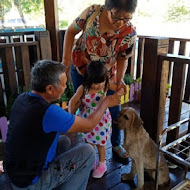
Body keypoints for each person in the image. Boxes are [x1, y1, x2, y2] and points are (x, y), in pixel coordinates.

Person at [2, 60, 122, 190]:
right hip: (31, 183)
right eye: (63, 84)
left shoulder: (22, 99)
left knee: (64, 141)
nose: (66, 87)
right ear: (49, 89)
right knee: (88, 151)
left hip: (15, 173)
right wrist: (105, 103)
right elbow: (88, 126)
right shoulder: (49, 112)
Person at [62, 0, 137, 162]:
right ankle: (87, 141)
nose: (121, 23)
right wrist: (65, 63)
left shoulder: (129, 32)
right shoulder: (92, 13)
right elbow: (70, 32)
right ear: (108, 8)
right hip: (82, 69)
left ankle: (116, 144)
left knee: (114, 108)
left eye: (127, 18)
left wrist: (120, 79)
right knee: (84, 104)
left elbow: (122, 58)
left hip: (107, 76)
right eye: (117, 17)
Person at [69, 61, 119, 178]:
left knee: (101, 144)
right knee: (89, 142)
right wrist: (71, 116)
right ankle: (92, 161)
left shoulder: (105, 85)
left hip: (101, 120)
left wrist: (119, 90)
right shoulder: (83, 88)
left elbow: (118, 88)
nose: (99, 85)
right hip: (86, 119)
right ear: (88, 80)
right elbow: (72, 101)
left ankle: (102, 164)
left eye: (101, 82)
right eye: (95, 83)